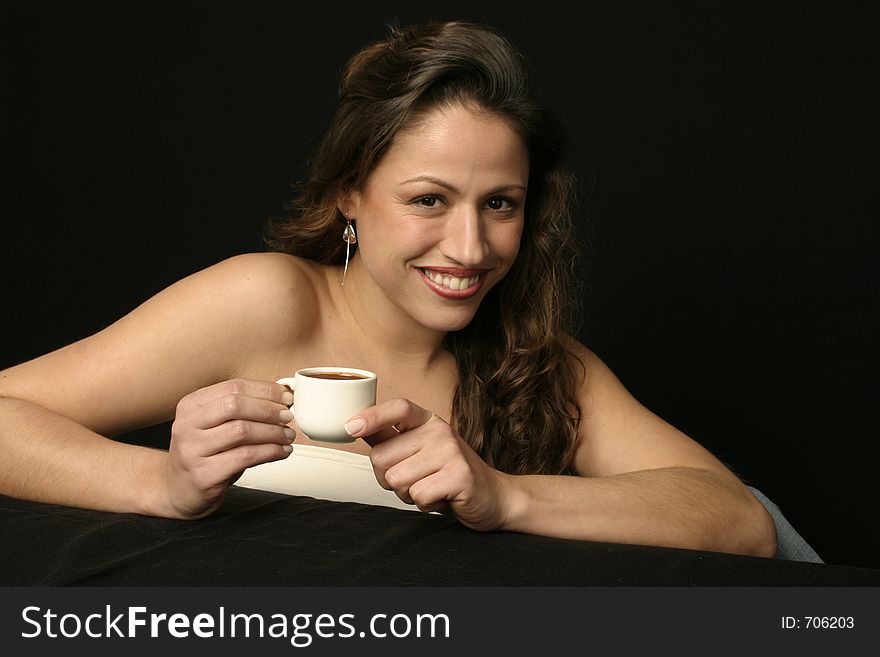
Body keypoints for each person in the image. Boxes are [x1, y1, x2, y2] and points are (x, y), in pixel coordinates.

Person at [0, 20, 777, 557]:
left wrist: (506, 496)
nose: (470, 248)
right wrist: (159, 484)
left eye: (499, 204)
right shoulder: (268, 302)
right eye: (429, 200)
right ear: (348, 193)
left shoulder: (539, 362)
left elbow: (741, 520)